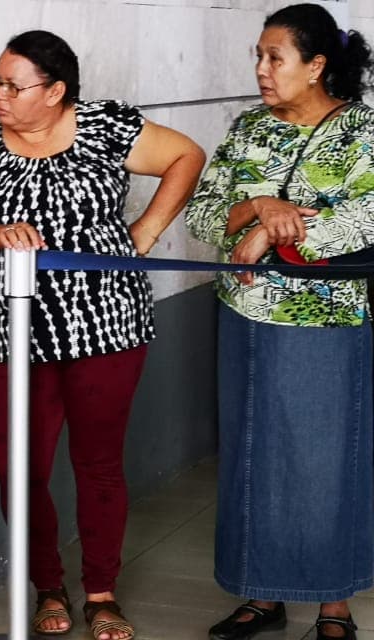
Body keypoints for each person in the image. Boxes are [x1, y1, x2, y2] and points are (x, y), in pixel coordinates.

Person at [0, 30, 205, 640]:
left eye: (14, 85)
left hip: (110, 326)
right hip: (23, 332)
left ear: (56, 91)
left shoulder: (106, 127)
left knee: (98, 464)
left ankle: (102, 593)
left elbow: (186, 155)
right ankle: (47, 585)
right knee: (20, 467)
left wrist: (144, 232)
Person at [183, 5, 374, 640]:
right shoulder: (247, 130)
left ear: (316, 66)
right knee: (250, 455)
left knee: (323, 460)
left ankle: (333, 603)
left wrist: (271, 233)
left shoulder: (363, 133)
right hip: (244, 319)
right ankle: (261, 595)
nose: (262, 71)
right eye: (258, 57)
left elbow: (361, 221)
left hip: (328, 324)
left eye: (276, 58)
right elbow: (205, 216)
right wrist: (256, 206)